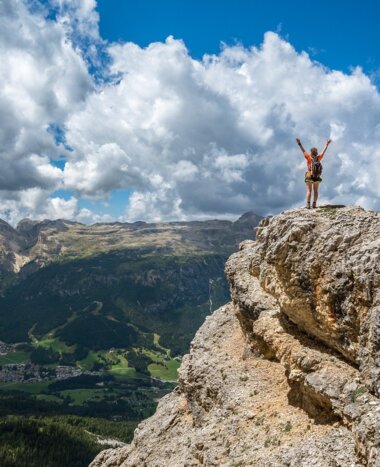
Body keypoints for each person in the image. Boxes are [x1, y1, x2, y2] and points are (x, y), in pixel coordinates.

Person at [296, 138, 332, 209]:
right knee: (316, 191)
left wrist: (299, 143)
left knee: (309, 190)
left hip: (309, 175)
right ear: (316, 152)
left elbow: (303, 150)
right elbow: (323, 152)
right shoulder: (319, 157)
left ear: (311, 152)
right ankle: (314, 204)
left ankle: (308, 204)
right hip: (317, 177)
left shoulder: (308, 157)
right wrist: (326, 145)